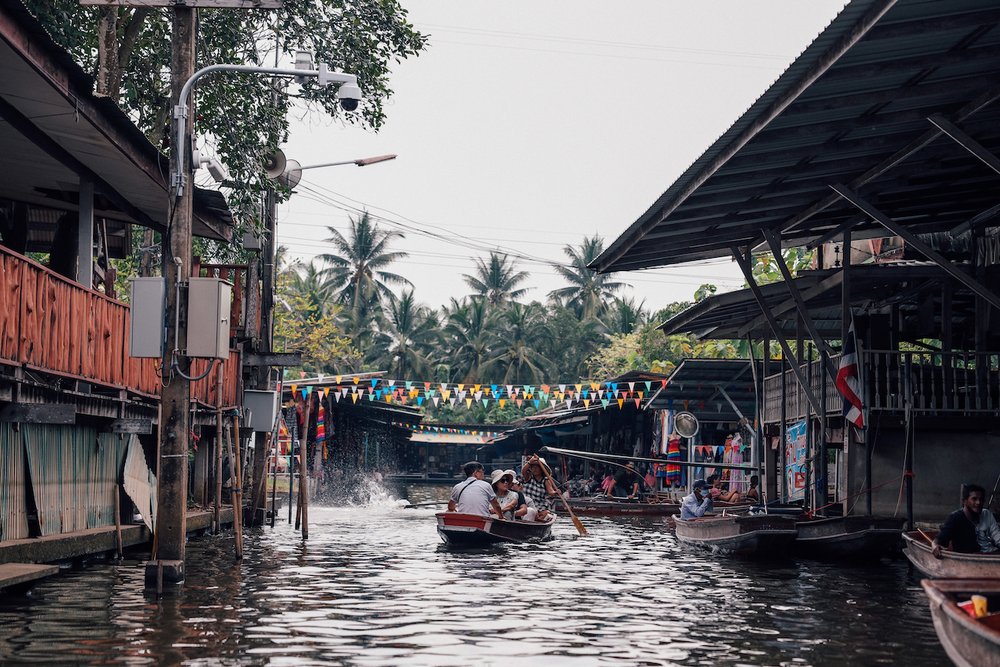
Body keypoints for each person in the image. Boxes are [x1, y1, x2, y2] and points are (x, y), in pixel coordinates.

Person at [933, 484, 1000, 557]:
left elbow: (997, 536)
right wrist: (934, 545)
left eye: (981, 499)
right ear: (965, 501)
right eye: (974, 499)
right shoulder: (955, 518)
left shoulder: (987, 514)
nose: (978, 502)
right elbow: (939, 540)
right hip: (970, 559)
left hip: (992, 554)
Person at [520, 454, 558, 521]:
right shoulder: (528, 477)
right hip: (527, 505)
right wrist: (529, 462)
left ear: (541, 469)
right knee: (529, 511)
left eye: (537, 467)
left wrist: (555, 492)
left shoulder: (545, 480)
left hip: (540, 506)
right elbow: (523, 471)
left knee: (547, 514)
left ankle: (538, 519)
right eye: (533, 467)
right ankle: (536, 518)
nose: (534, 469)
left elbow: (551, 491)